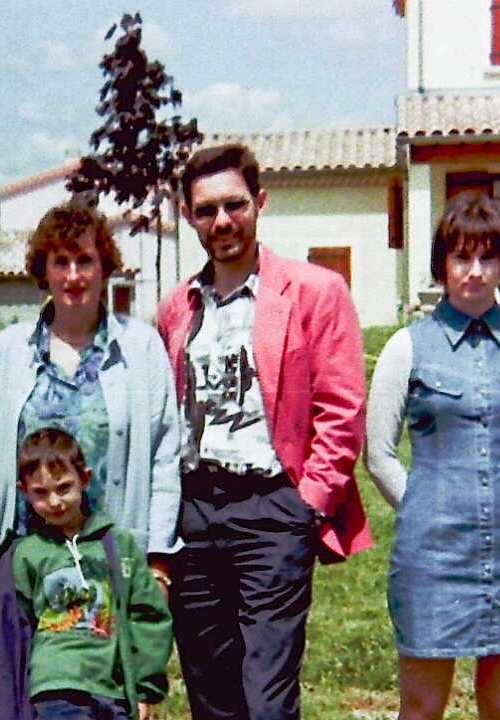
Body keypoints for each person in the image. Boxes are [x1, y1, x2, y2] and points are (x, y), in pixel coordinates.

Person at [155, 143, 374, 720]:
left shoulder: (314, 292)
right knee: (210, 693)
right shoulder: (177, 308)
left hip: (274, 508)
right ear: (188, 216)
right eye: (206, 210)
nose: (222, 221)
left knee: (267, 696)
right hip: (195, 515)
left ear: (261, 202)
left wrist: (309, 506)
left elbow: (342, 408)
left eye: (235, 205)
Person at [364, 191, 500, 720]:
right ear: (442, 265)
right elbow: (379, 454)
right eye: (461, 258)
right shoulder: (406, 347)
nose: (475, 272)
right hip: (433, 557)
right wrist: (425, 506)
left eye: (488, 258)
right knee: (422, 707)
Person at [0, 203, 181, 626]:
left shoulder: (141, 348)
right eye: (60, 262)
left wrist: (158, 565)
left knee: (102, 666)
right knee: (23, 668)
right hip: (24, 564)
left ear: (105, 267)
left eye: (85, 260)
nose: (73, 276)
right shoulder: (7, 352)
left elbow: (164, 461)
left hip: (111, 563)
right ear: (43, 271)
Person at [0, 428, 173, 720]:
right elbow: (6, 633)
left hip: (112, 688)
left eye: (63, 488)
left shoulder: (118, 545)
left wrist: (145, 688)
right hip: (55, 690)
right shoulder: (24, 553)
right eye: (40, 493)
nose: (54, 502)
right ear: (24, 491)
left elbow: (149, 616)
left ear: (84, 479)